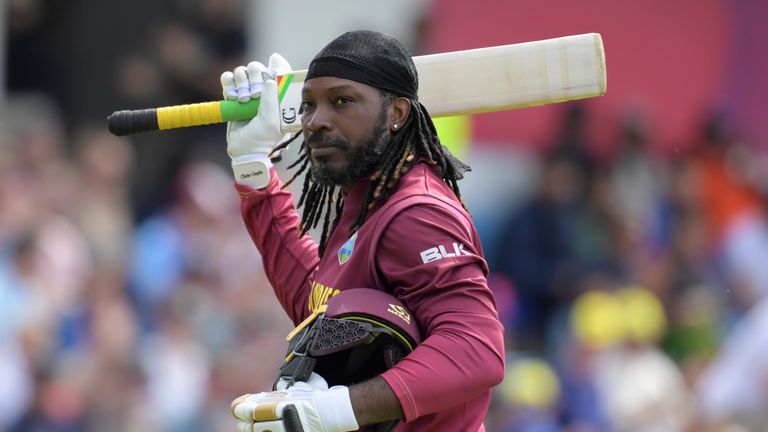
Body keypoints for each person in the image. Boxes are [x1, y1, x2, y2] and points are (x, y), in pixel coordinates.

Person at [220, 30, 505, 431]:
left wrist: (337, 410)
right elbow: (318, 308)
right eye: (308, 105)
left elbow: (476, 349)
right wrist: (253, 165)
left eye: (342, 101)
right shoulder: (367, 195)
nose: (317, 121)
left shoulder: (417, 214)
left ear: (397, 113)